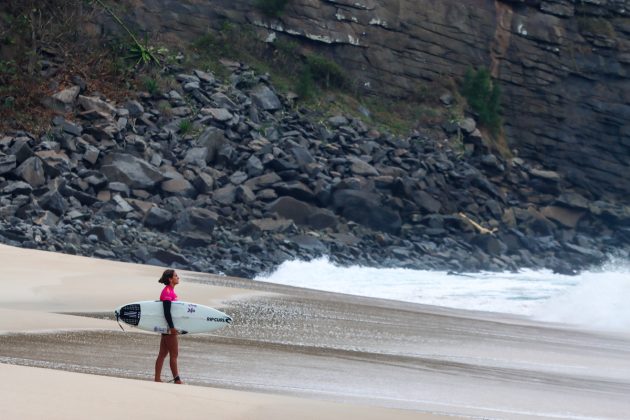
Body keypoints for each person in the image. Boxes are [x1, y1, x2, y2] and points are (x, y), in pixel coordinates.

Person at [154, 269, 183, 384]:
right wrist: (172, 327)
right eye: (176, 276)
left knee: (162, 354)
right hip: (168, 327)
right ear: (170, 279)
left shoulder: (170, 291)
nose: (178, 277)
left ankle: (157, 378)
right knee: (174, 354)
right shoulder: (167, 292)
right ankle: (177, 380)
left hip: (166, 326)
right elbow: (166, 312)